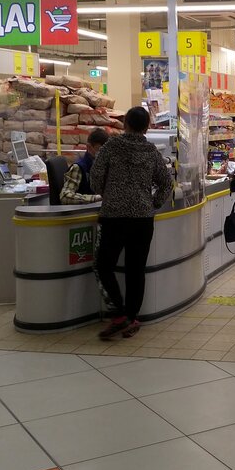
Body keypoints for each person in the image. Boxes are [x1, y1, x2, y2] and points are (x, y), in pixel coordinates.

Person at [90, 106, 173, 340]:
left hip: (114, 216)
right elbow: (166, 184)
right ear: (147, 126)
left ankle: (119, 313)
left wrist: (107, 191)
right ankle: (132, 317)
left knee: (104, 265)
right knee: (136, 270)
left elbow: (95, 179)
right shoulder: (151, 151)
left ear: (125, 123)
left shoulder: (111, 146)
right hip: (142, 220)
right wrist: (151, 203)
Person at [59, 128, 107, 205]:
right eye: (99, 150)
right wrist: (95, 198)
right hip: (83, 212)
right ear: (89, 147)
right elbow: (65, 196)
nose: (103, 154)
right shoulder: (78, 168)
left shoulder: (103, 166)